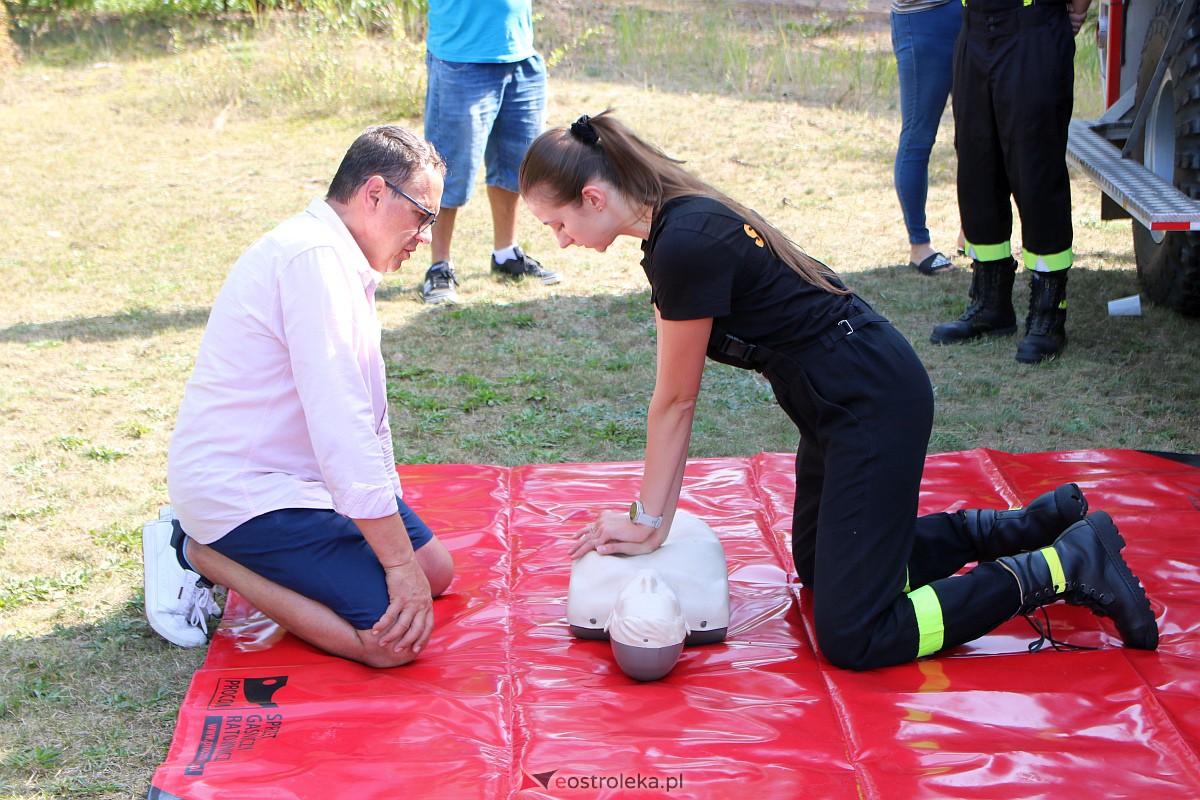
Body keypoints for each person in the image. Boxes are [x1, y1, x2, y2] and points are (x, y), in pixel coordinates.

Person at [518, 111, 1158, 671]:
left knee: (855, 634)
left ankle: (1063, 564)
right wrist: (648, 522)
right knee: (825, 574)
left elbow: (676, 403)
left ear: (594, 197)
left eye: (557, 223)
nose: (562, 239)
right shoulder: (675, 228)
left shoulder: (683, 242)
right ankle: (1028, 527)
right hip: (841, 404)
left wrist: (648, 525)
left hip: (870, 404)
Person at [144, 125, 455, 668]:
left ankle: (212, 545)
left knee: (436, 574)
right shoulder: (312, 258)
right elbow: (343, 426)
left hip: (306, 481)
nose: (426, 235)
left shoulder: (339, 256)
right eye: (422, 216)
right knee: (389, 643)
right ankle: (198, 549)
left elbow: (367, 414)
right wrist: (395, 565)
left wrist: (400, 545)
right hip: (245, 490)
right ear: (374, 193)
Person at [931, 0, 1091, 361]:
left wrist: (1077, 10)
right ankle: (990, 305)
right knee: (977, 166)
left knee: (1035, 170)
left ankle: (1048, 315)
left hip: (1032, 26)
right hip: (974, 27)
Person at [419, 0, 560, 304]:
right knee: (447, 168)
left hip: (519, 53)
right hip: (460, 57)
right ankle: (439, 265)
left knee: (517, 165)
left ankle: (505, 253)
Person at [890, 0, 962, 275]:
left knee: (975, 135)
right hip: (922, 17)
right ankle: (919, 246)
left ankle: (973, 232)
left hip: (969, 15)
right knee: (918, 136)